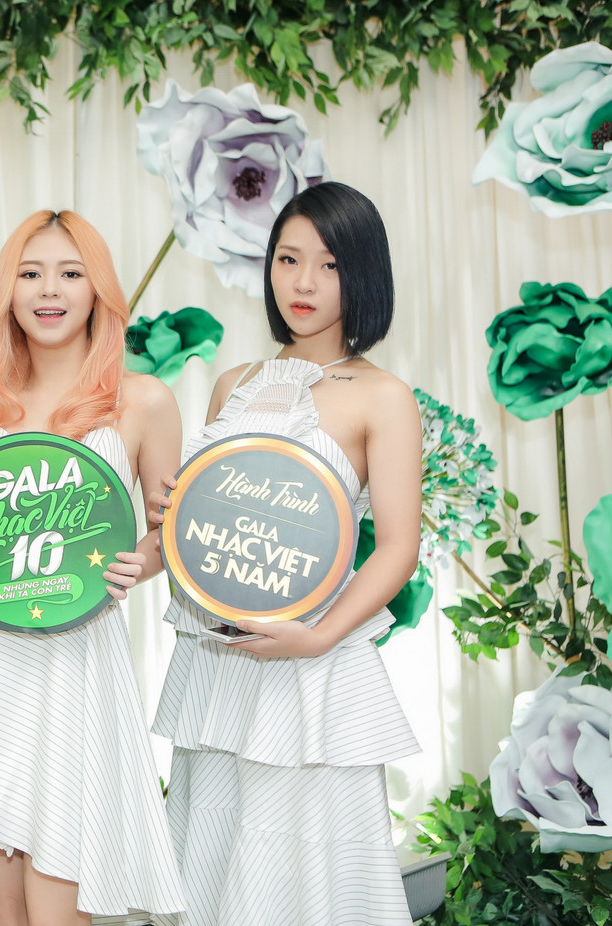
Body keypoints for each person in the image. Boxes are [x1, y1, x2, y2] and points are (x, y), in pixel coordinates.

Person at [148, 181, 423, 925]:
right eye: (288, 259)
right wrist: (176, 518)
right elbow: (206, 523)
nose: (303, 283)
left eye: (329, 265)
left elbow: (398, 548)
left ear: (363, 274)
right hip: (220, 661)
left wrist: (318, 637)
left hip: (313, 671)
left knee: (302, 859)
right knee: (214, 849)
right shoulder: (233, 384)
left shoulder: (383, 396)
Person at [0, 209, 187, 926]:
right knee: (2, 907)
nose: (49, 290)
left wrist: (136, 566)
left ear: (99, 290)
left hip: (75, 659)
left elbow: (171, 531)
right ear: (7, 291)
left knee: (62, 898)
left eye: (71, 273)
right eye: (30, 274)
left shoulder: (143, 400)